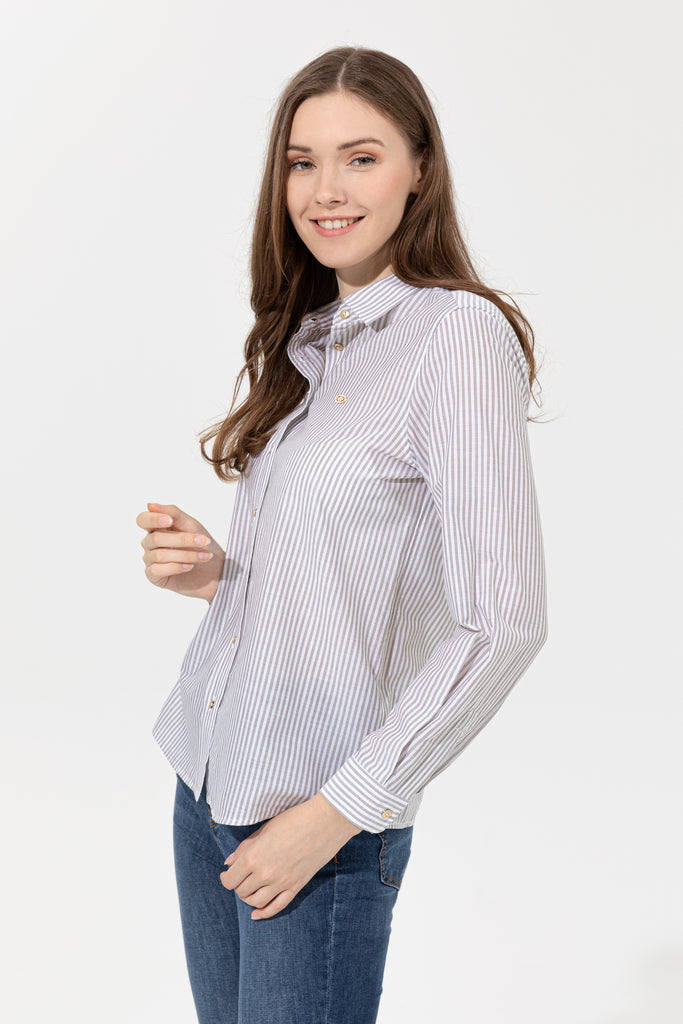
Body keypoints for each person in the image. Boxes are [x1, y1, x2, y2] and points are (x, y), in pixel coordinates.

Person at [136, 45, 548, 1024]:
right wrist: (222, 576)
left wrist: (332, 815)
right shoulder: (313, 339)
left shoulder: (454, 336)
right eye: (301, 161)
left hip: (313, 830)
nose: (325, 190)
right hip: (206, 784)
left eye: (360, 158)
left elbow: (505, 622)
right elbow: (356, 573)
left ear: (419, 170)